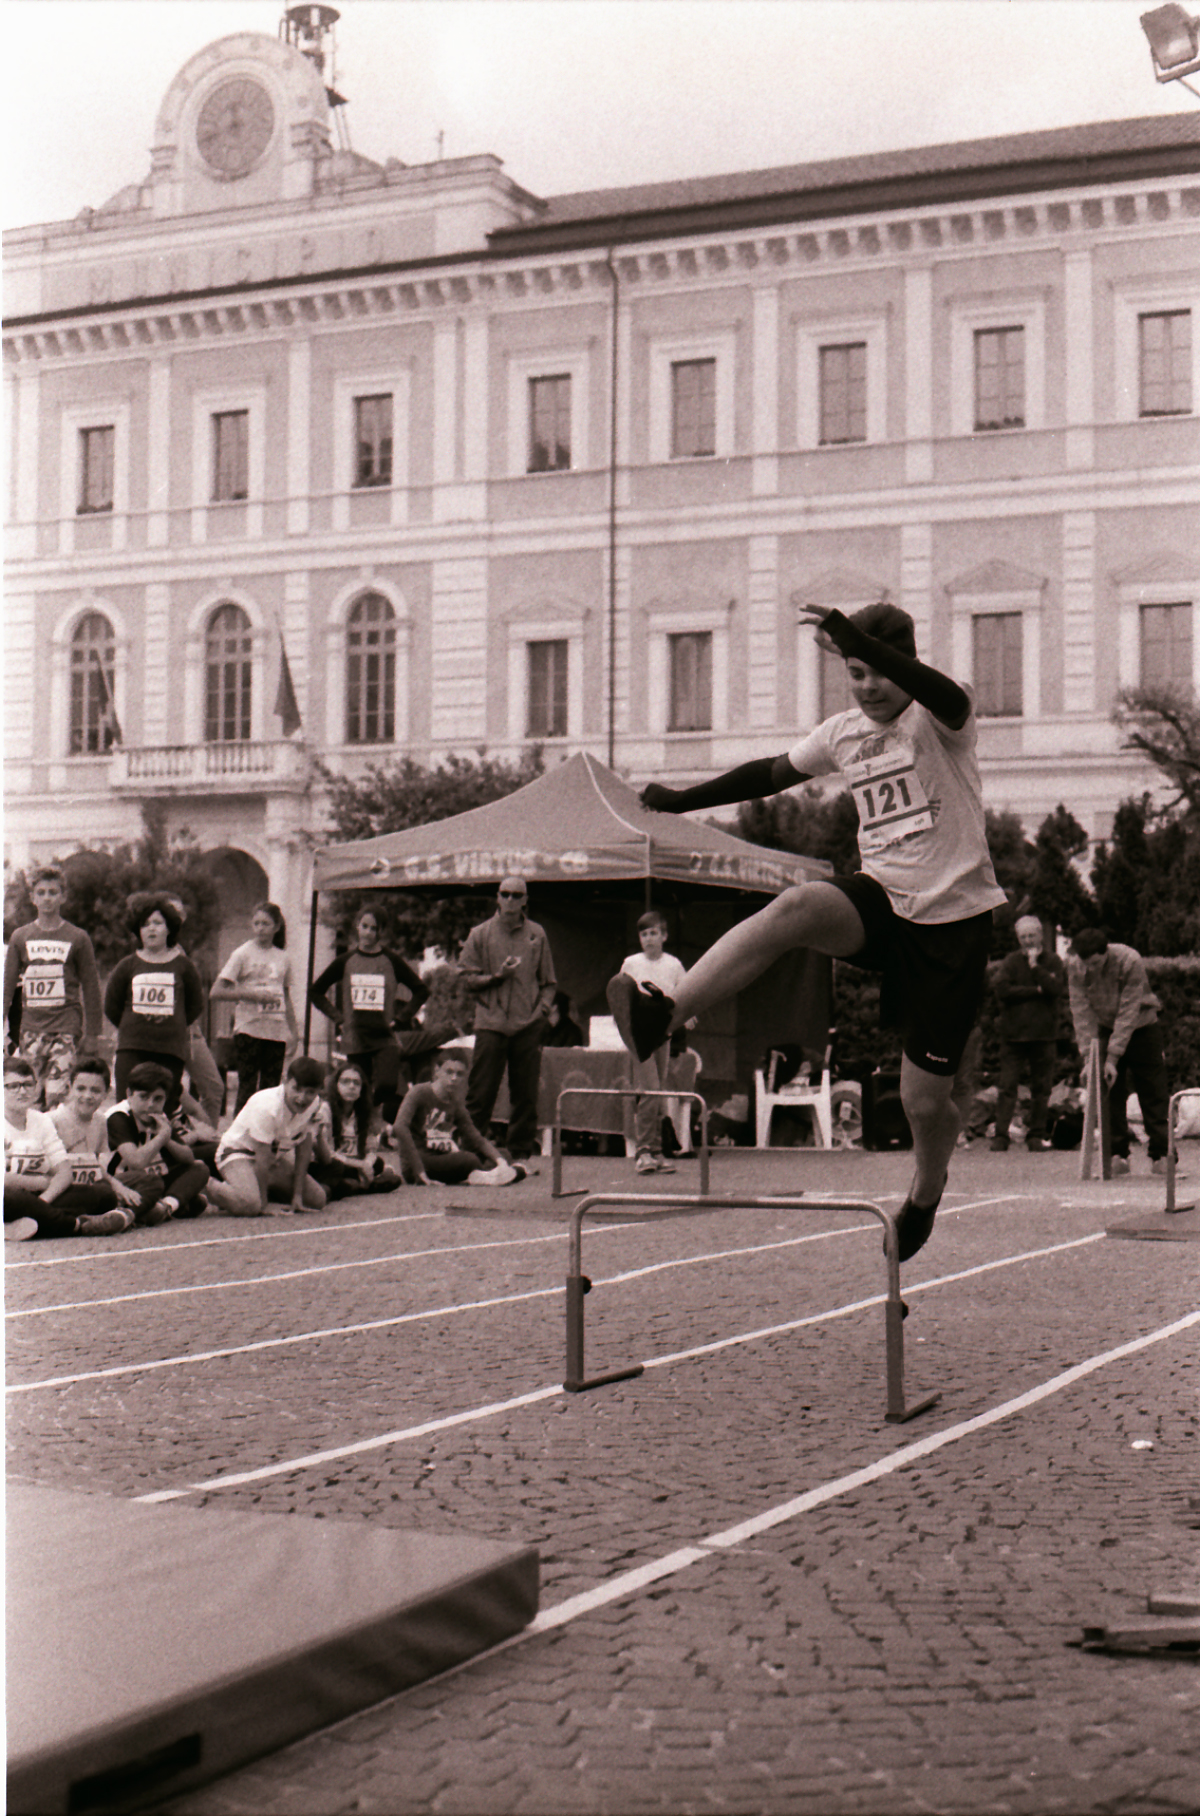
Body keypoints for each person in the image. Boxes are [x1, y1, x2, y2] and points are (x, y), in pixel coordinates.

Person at [613, 600, 1007, 1263]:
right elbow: (767, 775)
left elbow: (935, 687)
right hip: (882, 898)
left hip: (952, 925)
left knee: (923, 1103)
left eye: (879, 673)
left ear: (905, 666)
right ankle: (664, 1016)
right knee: (791, 911)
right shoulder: (843, 733)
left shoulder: (944, 717)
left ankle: (927, 1188)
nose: (869, 687)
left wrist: (865, 643)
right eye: (854, 673)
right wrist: (682, 801)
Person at [309, 907, 457, 1117]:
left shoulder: (391, 960)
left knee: (387, 1084)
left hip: (384, 1036)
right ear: (357, 927)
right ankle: (358, 1131)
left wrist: (401, 1018)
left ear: (381, 932)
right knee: (356, 1087)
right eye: (364, 926)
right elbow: (315, 991)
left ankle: (369, 1110)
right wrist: (338, 1018)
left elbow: (421, 990)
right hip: (355, 1036)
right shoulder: (346, 960)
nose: (368, 932)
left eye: (374, 928)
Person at [458, 878, 557, 1168]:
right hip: (491, 1022)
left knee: (525, 1093)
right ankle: (471, 1154)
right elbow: (465, 979)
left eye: (517, 895)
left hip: (528, 1024)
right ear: (497, 898)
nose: (511, 900)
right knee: (481, 1091)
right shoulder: (480, 934)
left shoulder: (537, 934)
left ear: (525, 900)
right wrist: (496, 977)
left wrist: (542, 1013)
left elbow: (549, 982)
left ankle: (520, 1154)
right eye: (506, 894)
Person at [1067, 927, 1170, 1176]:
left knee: (1152, 1091)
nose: (1090, 969)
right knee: (1108, 1090)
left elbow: (1129, 1010)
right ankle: (1117, 1153)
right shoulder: (1075, 965)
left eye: (1095, 963)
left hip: (1142, 1026)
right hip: (1104, 1026)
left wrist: (1113, 1056)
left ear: (1105, 953)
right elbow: (1081, 1011)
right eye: (1085, 963)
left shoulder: (1129, 960)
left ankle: (1163, 1154)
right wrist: (1090, 1057)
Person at [3, 865, 103, 1106]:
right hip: (31, 1029)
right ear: (33, 898)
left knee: (58, 1094)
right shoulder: (20, 936)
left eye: (53, 892)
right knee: (28, 1096)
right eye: (42, 892)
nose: (47, 898)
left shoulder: (78, 937)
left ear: (63, 896)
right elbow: (6, 988)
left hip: (65, 1028)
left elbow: (91, 988)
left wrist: (92, 1035)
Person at [4, 1054, 132, 1240]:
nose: (22, 1091)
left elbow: (64, 1173)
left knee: (103, 1194)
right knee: (8, 1195)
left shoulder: (40, 1120)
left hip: (41, 1197)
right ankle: (77, 1225)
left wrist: (39, 1205)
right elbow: (4, 1180)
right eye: (13, 1086)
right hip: (9, 1198)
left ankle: (26, 1224)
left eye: (28, 1084)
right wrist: (43, 1182)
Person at [104, 895, 205, 1114]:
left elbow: (195, 1004)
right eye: (145, 924)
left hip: (169, 1050)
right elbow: (111, 1005)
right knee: (127, 1108)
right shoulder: (127, 965)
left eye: (158, 923)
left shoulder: (184, 966)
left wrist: (173, 1023)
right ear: (138, 931)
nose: (151, 929)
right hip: (132, 1048)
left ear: (169, 929)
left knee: (164, 1108)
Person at [611, 909, 691, 1175]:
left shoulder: (674, 964)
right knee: (649, 1089)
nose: (649, 939)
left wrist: (688, 1015)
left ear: (664, 935)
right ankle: (643, 1150)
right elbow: (620, 997)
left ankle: (656, 1149)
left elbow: (685, 992)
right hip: (639, 1033)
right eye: (644, 934)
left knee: (658, 1090)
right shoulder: (630, 963)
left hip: (663, 1032)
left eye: (653, 933)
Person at [206, 1055, 327, 1217]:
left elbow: (304, 1147)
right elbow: (261, 1159)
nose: (301, 1098)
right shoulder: (267, 1107)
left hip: (272, 1159)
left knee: (317, 1199)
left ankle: (251, 1189)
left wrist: (297, 1196)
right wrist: (264, 1204)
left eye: (310, 1092)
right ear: (285, 1081)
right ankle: (206, 1186)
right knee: (251, 1205)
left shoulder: (315, 1104)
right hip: (237, 1154)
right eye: (296, 1089)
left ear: (319, 1090)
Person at [211, 902, 299, 1112]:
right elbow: (216, 992)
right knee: (248, 1086)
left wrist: (294, 1031)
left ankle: (266, 1135)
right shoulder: (242, 954)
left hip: (275, 1030)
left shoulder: (283, 957)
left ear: (276, 927)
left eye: (266, 924)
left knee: (271, 1089)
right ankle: (240, 1135)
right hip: (249, 1028)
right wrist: (250, 995)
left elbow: (285, 996)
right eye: (257, 923)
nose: (260, 928)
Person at [989, 915, 1066, 1152]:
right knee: (1007, 1086)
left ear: (1040, 935)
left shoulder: (1053, 960)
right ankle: (1001, 1136)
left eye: (1031, 935)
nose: (1027, 940)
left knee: (1041, 1089)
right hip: (1013, 1036)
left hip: (1044, 1035)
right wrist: (1036, 990)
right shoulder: (1011, 961)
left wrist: (1035, 967)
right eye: (1023, 937)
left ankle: (1036, 1136)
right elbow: (1001, 989)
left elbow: (1055, 989)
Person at [391, 1050, 521, 1186]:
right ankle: (491, 1174)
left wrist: (501, 1162)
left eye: (459, 1074)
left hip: (443, 1157)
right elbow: (400, 1127)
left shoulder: (455, 1102)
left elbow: (475, 1137)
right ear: (437, 1070)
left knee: (502, 1153)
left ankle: (493, 1173)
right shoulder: (419, 1092)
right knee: (469, 1160)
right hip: (419, 1160)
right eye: (449, 1072)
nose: (454, 1078)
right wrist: (420, 1172)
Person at [106, 1061, 211, 1224]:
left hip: (151, 1179)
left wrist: (167, 1137)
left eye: (158, 1099)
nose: (150, 1105)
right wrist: (162, 1136)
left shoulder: (158, 1116)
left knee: (199, 1167)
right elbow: (136, 1162)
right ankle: (171, 1204)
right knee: (192, 1200)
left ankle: (165, 1206)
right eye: (143, 1097)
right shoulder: (119, 1117)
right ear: (129, 1094)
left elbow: (188, 1158)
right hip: (121, 1182)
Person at [50, 1056, 143, 1218]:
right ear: (70, 1088)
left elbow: (96, 1166)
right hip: (63, 1188)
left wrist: (118, 1185)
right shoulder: (53, 1120)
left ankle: (123, 1214)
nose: (87, 1096)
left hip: (92, 1183)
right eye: (80, 1089)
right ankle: (127, 1214)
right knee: (102, 1194)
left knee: (147, 1180)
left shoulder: (100, 1121)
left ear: (106, 1093)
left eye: (95, 1090)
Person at [311, 1060, 403, 1200]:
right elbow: (327, 1153)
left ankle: (357, 1185)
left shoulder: (364, 1112)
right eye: (345, 1082)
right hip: (334, 1164)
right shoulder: (326, 1109)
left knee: (379, 1164)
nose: (351, 1086)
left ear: (362, 1089)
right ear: (336, 1086)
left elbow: (371, 1149)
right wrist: (359, 1164)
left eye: (356, 1083)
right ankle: (363, 1186)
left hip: (354, 1165)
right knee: (339, 1171)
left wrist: (367, 1163)